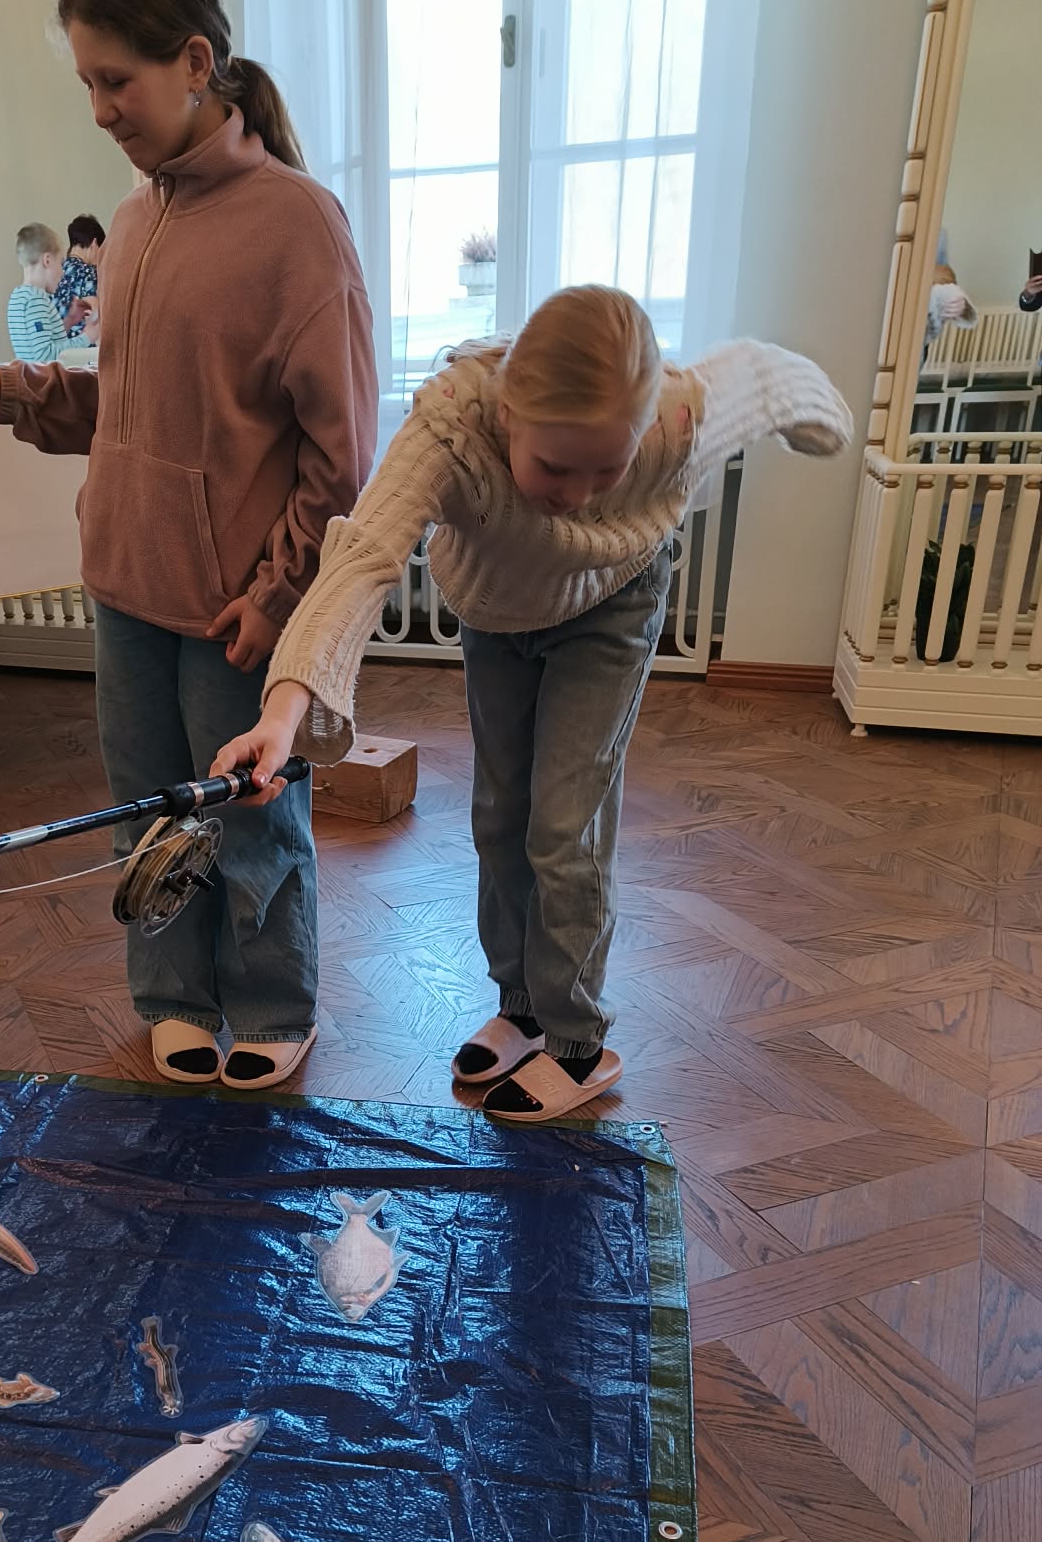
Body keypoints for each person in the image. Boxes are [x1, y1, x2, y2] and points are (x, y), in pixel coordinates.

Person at [211, 285, 853, 1123]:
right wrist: (281, 715)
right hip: (498, 610)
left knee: (564, 826)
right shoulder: (449, 427)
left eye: (606, 469)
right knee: (500, 813)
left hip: (613, 603)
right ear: (509, 414)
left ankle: (577, 1041)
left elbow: (763, 378)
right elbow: (361, 559)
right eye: (555, 467)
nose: (578, 494)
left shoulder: (678, 417)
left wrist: (825, 422)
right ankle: (521, 1008)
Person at [0, 0, 376, 1091]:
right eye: (85, 83)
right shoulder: (131, 222)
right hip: (124, 587)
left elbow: (341, 454)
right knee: (149, 812)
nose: (98, 110)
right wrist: (8, 389)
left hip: (233, 610)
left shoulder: (301, 225)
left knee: (250, 818)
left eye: (114, 81)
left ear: (193, 62)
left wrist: (277, 594)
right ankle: (174, 994)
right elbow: (124, 409)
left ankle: (271, 1002)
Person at [6, 222, 93, 364]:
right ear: (47, 260)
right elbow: (45, 356)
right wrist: (88, 337)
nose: (62, 271)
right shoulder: (35, 300)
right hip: (45, 378)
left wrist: (69, 321)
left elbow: (40, 343)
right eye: (60, 263)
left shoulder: (19, 297)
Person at [54, 213, 105, 330]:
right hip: (83, 340)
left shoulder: (55, 270)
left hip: (57, 339)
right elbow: (97, 319)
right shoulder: (89, 273)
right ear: (94, 244)